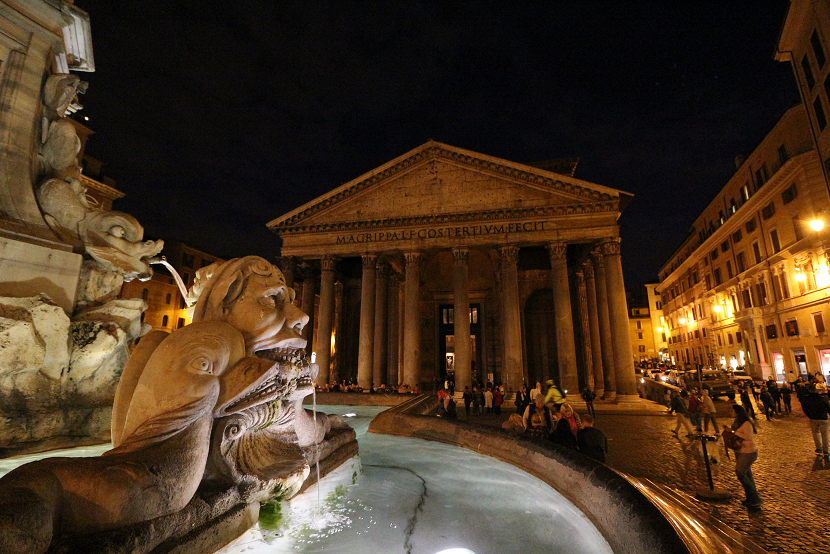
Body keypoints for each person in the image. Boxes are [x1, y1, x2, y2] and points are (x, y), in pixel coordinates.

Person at [730, 404, 762, 509]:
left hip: (749, 452)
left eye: (733, 411)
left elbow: (748, 436)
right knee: (748, 475)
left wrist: (735, 432)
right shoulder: (737, 422)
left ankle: (754, 498)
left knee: (740, 472)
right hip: (741, 450)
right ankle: (751, 499)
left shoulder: (747, 423)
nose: (731, 412)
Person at [801, 385, 830, 457]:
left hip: (813, 418)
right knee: (825, 434)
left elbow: (804, 408)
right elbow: (829, 408)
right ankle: (826, 450)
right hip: (823, 418)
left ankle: (819, 448)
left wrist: (809, 415)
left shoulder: (807, 399)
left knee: (815, 433)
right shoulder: (823, 399)